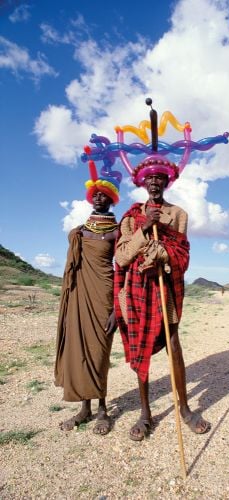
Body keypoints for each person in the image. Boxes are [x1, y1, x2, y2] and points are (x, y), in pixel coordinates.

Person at [114, 156, 211, 441]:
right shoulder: (131, 217)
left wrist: (164, 256)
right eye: (150, 178)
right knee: (139, 348)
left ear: (166, 182)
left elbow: (182, 255)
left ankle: (184, 409)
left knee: (174, 346)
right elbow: (121, 257)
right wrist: (144, 228)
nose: (154, 182)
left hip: (164, 289)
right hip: (135, 291)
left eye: (160, 178)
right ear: (143, 183)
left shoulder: (178, 214)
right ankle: (145, 414)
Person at [54, 158, 121, 435]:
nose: (98, 199)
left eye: (103, 195)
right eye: (95, 195)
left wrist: (118, 308)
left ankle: (103, 409)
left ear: (112, 199)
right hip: (80, 298)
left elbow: (124, 269)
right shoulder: (79, 232)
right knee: (80, 350)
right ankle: (84, 408)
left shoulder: (118, 232)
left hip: (104, 298)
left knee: (99, 353)